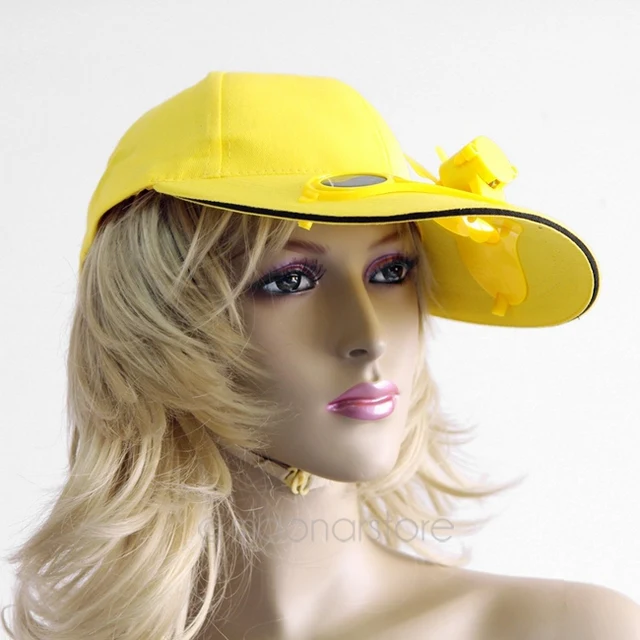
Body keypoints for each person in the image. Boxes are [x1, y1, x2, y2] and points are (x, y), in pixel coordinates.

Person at [2, 71, 638, 640]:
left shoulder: (572, 630)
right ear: (157, 326)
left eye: (391, 271)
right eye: (289, 281)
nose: (369, 336)